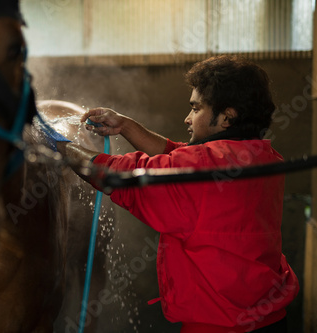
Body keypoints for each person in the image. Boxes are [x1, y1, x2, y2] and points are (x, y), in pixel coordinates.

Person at [47, 55, 299, 332]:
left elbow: (118, 175)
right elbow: (181, 156)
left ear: (228, 116)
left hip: (218, 325)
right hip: (270, 319)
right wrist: (127, 127)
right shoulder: (264, 157)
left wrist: (58, 144)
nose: (187, 118)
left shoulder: (200, 168)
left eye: (196, 108)